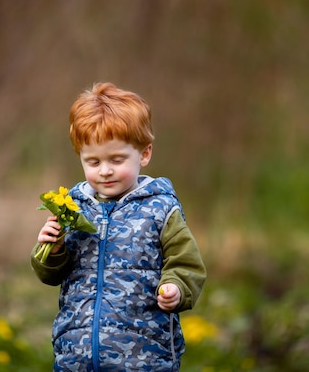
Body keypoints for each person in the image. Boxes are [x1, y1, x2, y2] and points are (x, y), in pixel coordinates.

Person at [30, 82, 206, 372]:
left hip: (143, 357)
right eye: (93, 161)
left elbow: (187, 263)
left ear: (144, 154)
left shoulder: (161, 209)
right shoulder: (72, 207)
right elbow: (50, 274)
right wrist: (51, 248)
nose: (105, 170)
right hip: (76, 355)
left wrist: (176, 286)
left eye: (117, 159)